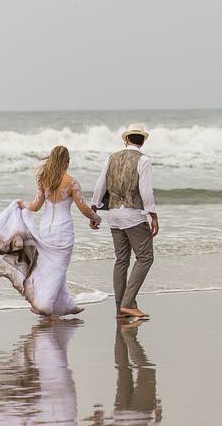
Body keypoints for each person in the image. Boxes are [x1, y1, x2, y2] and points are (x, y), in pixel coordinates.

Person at [0, 145, 102, 317]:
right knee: (59, 267)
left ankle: (65, 305)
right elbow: (83, 207)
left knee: (52, 266)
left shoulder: (44, 180)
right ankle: (44, 304)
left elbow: (35, 206)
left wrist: (22, 204)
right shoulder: (72, 182)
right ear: (67, 161)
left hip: (46, 228)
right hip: (63, 229)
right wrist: (95, 218)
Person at [91, 124, 158, 319]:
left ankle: (121, 308)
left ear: (126, 140)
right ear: (143, 141)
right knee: (145, 258)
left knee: (121, 261)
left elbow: (99, 185)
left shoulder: (112, 158)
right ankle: (128, 303)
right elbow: (146, 191)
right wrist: (152, 214)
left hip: (113, 215)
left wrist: (94, 209)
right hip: (133, 215)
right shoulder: (143, 160)